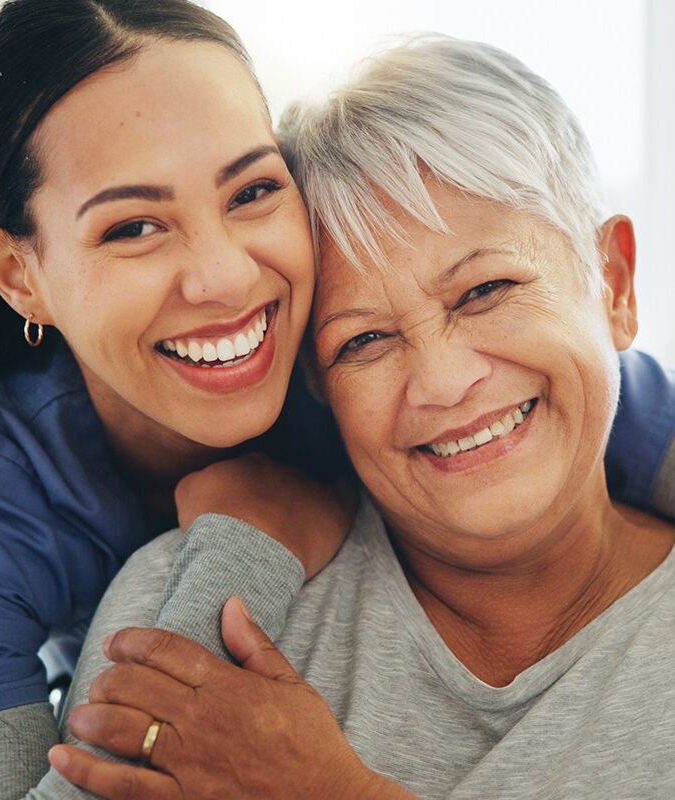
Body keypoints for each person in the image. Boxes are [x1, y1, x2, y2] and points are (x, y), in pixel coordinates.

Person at [44, 35, 675, 799]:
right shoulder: (192, 600)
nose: (442, 383)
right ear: (316, 380)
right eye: (365, 340)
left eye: (485, 290)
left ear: (614, 285)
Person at [0, 0, 353, 796]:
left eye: (252, 190)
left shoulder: (369, 337)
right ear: (19, 275)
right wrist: (245, 550)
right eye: (133, 228)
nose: (223, 277)